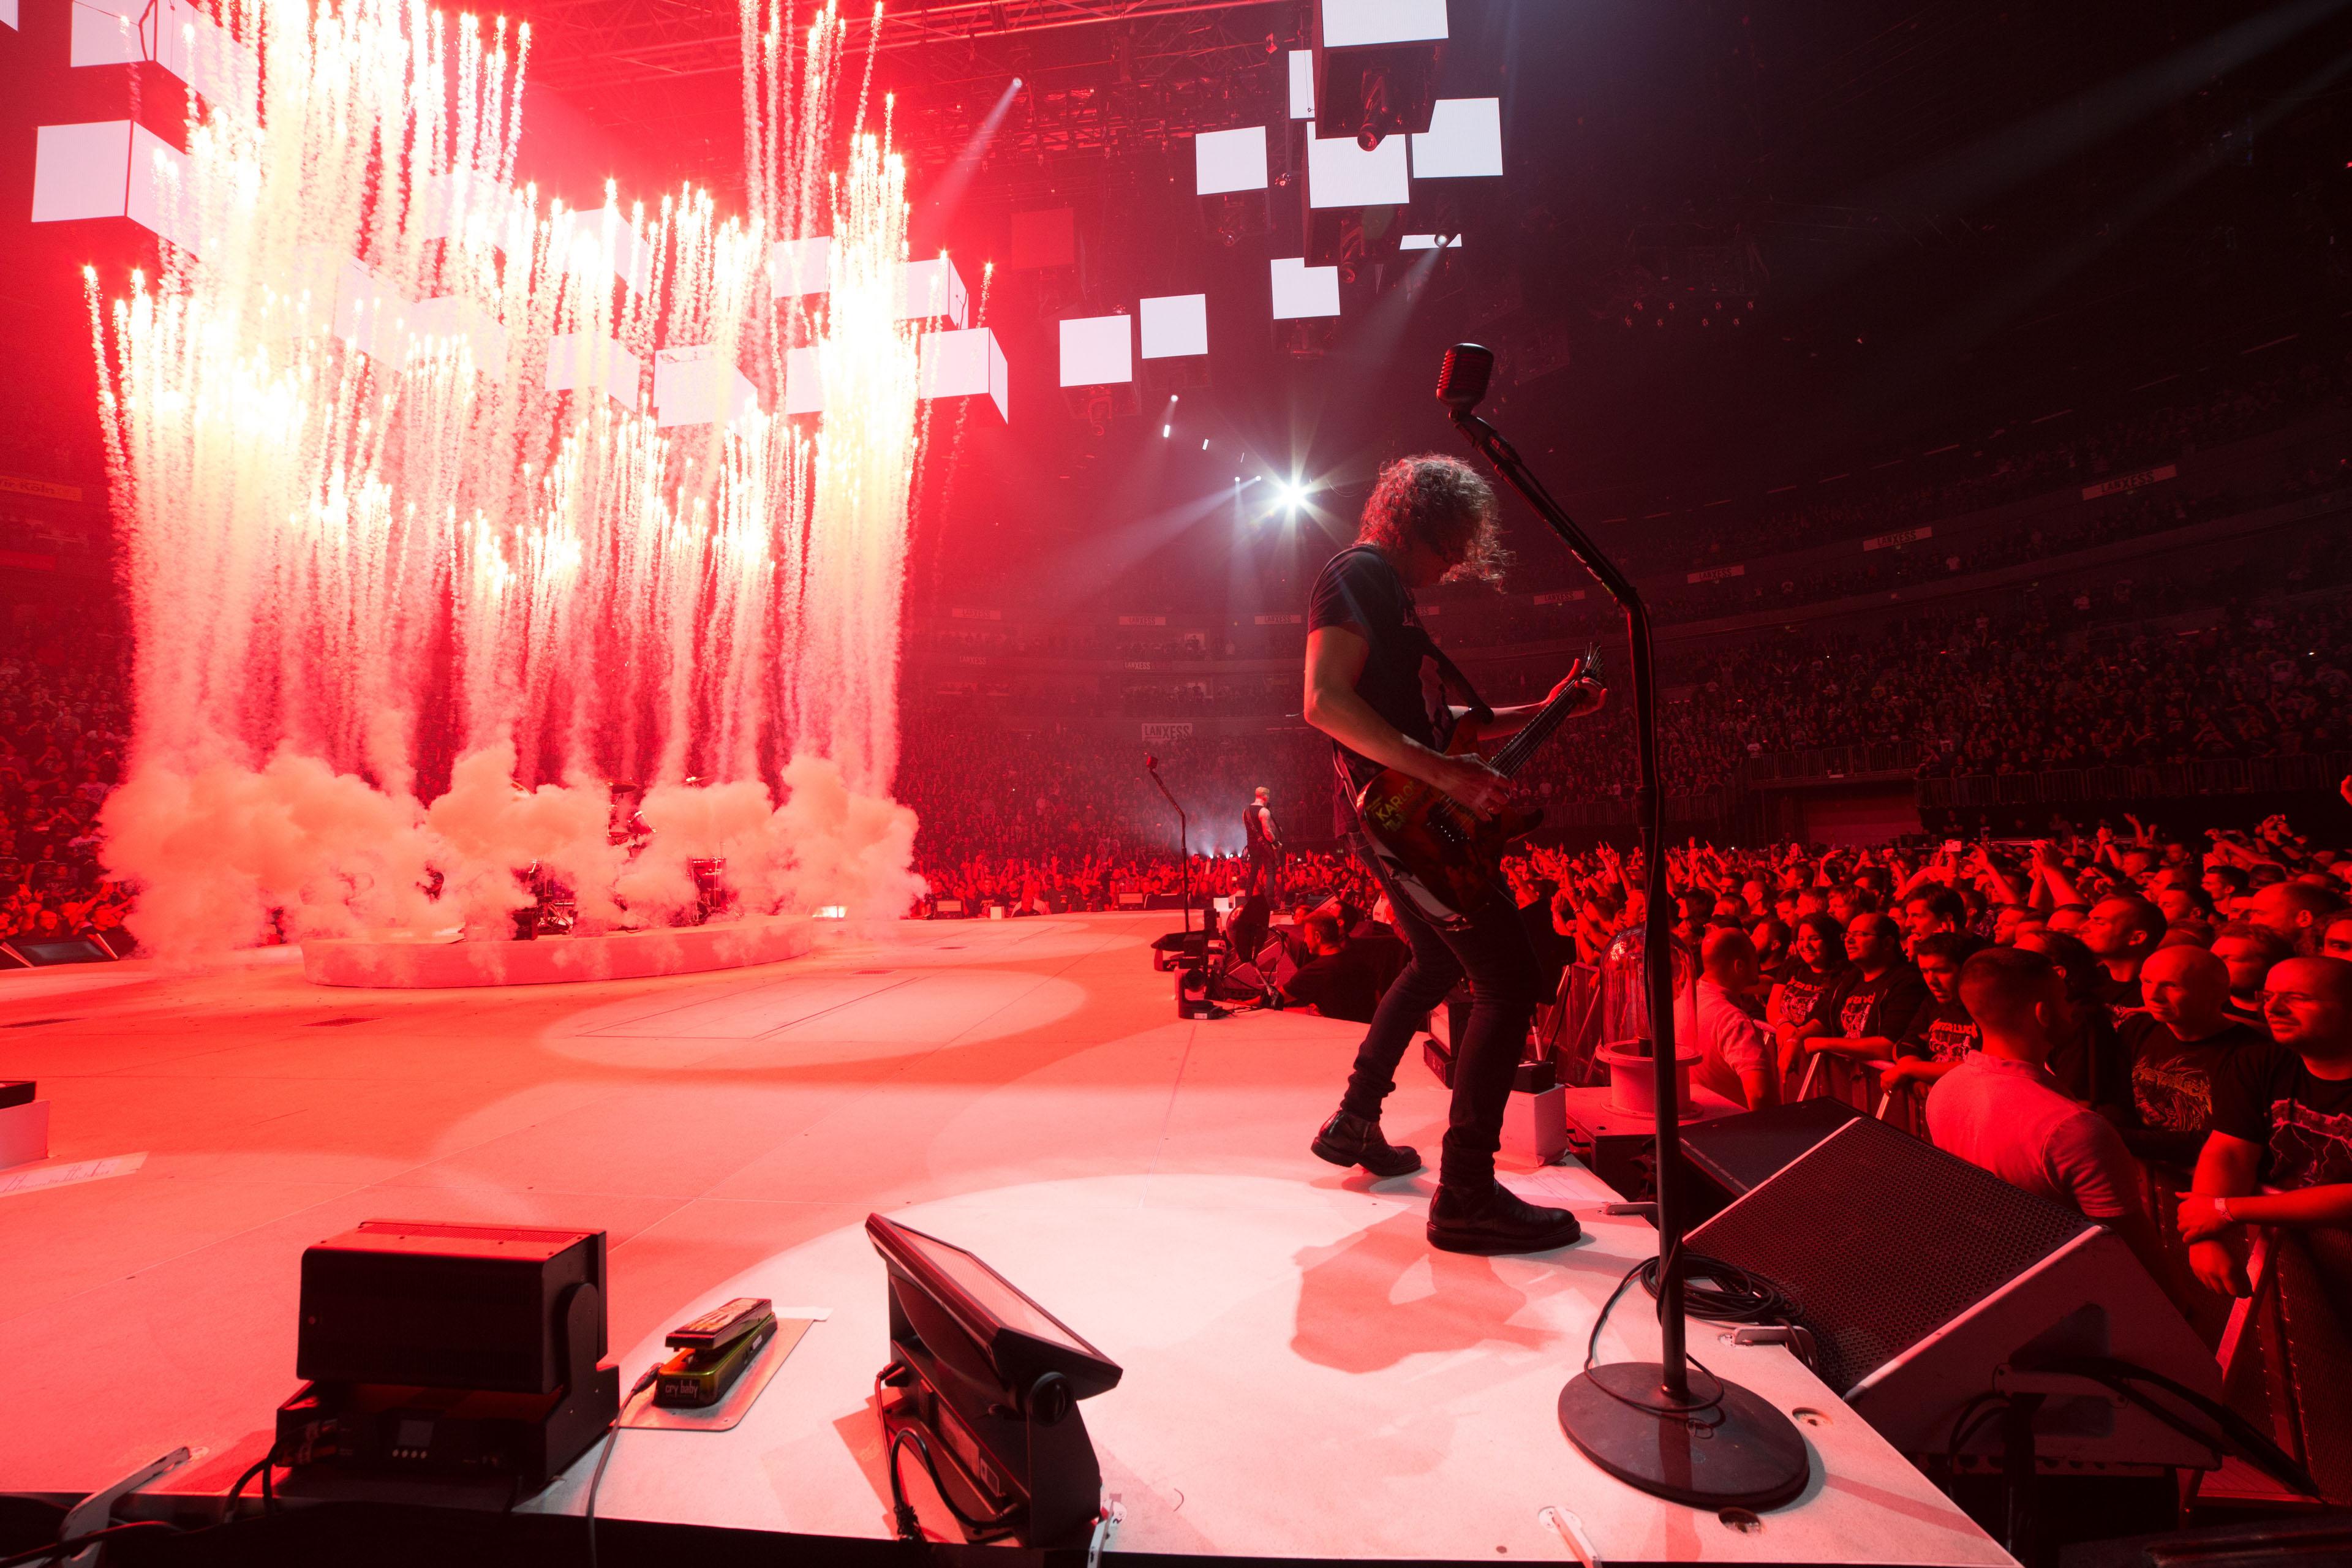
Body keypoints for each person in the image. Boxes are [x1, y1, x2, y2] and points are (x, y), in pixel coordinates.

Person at [1301, 452, 1604, 1254]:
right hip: (1403, 817)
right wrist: (1444, 775)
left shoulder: (1392, 596)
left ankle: (1356, 1117)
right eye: (1451, 547)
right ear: (1423, 524)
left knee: (1436, 962)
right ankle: (1467, 1191)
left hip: (1407, 814)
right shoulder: (1359, 572)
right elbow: (1323, 700)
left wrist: (1551, 708)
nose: (1454, 565)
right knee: (1509, 979)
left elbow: (1455, 728)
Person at [1927, 948, 2168, 1280]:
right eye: (2064, 999)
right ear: (2043, 1012)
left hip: (1996, 1276)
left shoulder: (1946, 1088)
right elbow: (2136, 1253)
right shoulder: (2072, 1127)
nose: (2071, 1010)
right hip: (2072, 1288)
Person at [2177, 956, 2352, 1297]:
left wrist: (2226, 1210)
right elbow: (2229, 1151)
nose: (2274, 1009)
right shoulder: (2260, 1062)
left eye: (2298, 998)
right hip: (2297, 1261)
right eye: (2268, 996)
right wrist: (2203, 1235)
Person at [2119, 944, 2265, 1167]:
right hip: (2140, 1163)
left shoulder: (2251, 1054)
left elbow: (2220, 1142)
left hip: (2203, 1171)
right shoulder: (2139, 1028)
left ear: (2219, 993)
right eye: (2147, 982)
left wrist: (2115, 1137)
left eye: (2171, 985)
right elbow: (2116, 1098)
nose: (2153, 996)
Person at [1792, 911, 1928, 1071]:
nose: (1849, 940)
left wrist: (1823, 1043)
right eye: (1847, 935)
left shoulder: (1908, 982)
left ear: (1887, 943)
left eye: (1859, 935)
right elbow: (1824, 1018)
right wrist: (1795, 1040)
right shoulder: (1851, 976)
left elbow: (1888, 1045)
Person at [1675, 927, 1774, 1109]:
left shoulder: (1686, 1000)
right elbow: (1760, 1095)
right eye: (1754, 956)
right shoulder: (1733, 1020)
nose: (1758, 962)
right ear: (1739, 966)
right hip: (1732, 1123)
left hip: (1697, 1117)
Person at [1885, 930, 1981, 1091]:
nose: (1932, 981)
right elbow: (1907, 1044)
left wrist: (1908, 1070)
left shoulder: (1986, 1007)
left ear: (1965, 969)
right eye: (1925, 971)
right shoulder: (1931, 1002)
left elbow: (1982, 1065)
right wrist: (1919, 1074)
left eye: (1942, 971)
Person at [1280, 911, 1382, 1024]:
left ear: (1317, 937)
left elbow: (1275, 998)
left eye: (1306, 935)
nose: (1305, 940)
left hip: (1339, 1033)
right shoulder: (1362, 962)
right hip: (1368, 1030)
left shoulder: (1316, 970)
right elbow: (1377, 1001)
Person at [2078, 894, 2165, 1017]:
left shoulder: (2158, 995)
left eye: (2100, 923)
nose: (2083, 927)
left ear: (2136, 938)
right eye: (2089, 920)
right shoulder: (2086, 980)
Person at [2212, 922, 2295, 1030]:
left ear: (2272, 965)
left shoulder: (2290, 1019)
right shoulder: (2205, 1008)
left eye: (2230, 959)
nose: (2215, 964)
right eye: (2213, 957)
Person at [1243, 785, 1284, 903]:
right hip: (1264, 847)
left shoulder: (1246, 811)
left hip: (1252, 846)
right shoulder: (1264, 811)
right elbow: (1267, 832)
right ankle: (1269, 901)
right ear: (1265, 797)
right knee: (1270, 871)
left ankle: (1247, 899)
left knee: (1253, 872)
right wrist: (1276, 843)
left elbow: (1248, 829)